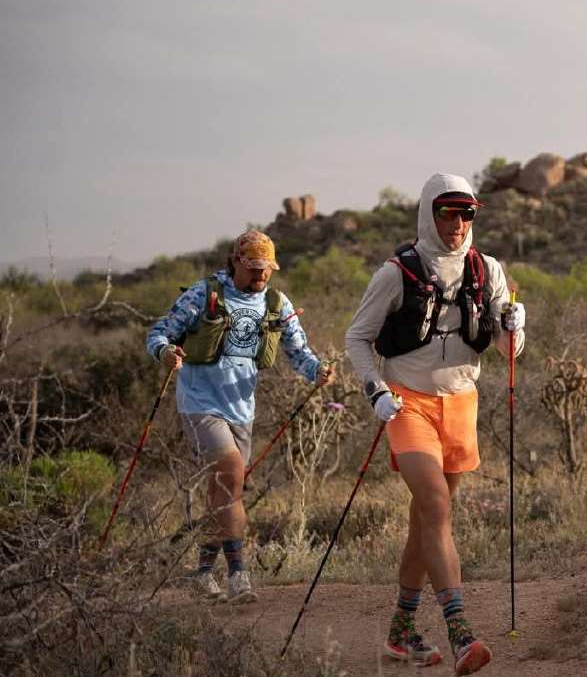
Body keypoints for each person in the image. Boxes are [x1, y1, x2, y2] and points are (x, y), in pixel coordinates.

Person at [345, 173, 524, 675]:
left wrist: (515, 327)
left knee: (427, 520)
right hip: (407, 403)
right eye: (448, 212)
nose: (458, 223)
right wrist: (375, 390)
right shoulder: (395, 273)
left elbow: (508, 351)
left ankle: (401, 632)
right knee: (437, 506)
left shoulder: (488, 270)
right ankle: (461, 632)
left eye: (467, 213)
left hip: (461, 402)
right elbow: (357, 338)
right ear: (429, 214)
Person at [146, 230, 334, 603]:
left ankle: (202, 574)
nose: (261, 275)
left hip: (241, 409)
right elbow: (158, 334)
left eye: (267, 269)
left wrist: (318, 370)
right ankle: (238, 576)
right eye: (253, 267)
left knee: (224, 491)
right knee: (231, 473)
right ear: (235, 262)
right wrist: (166, 352)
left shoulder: (276, 303)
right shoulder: (203, 294)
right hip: (199, 403)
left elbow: (299, 352)